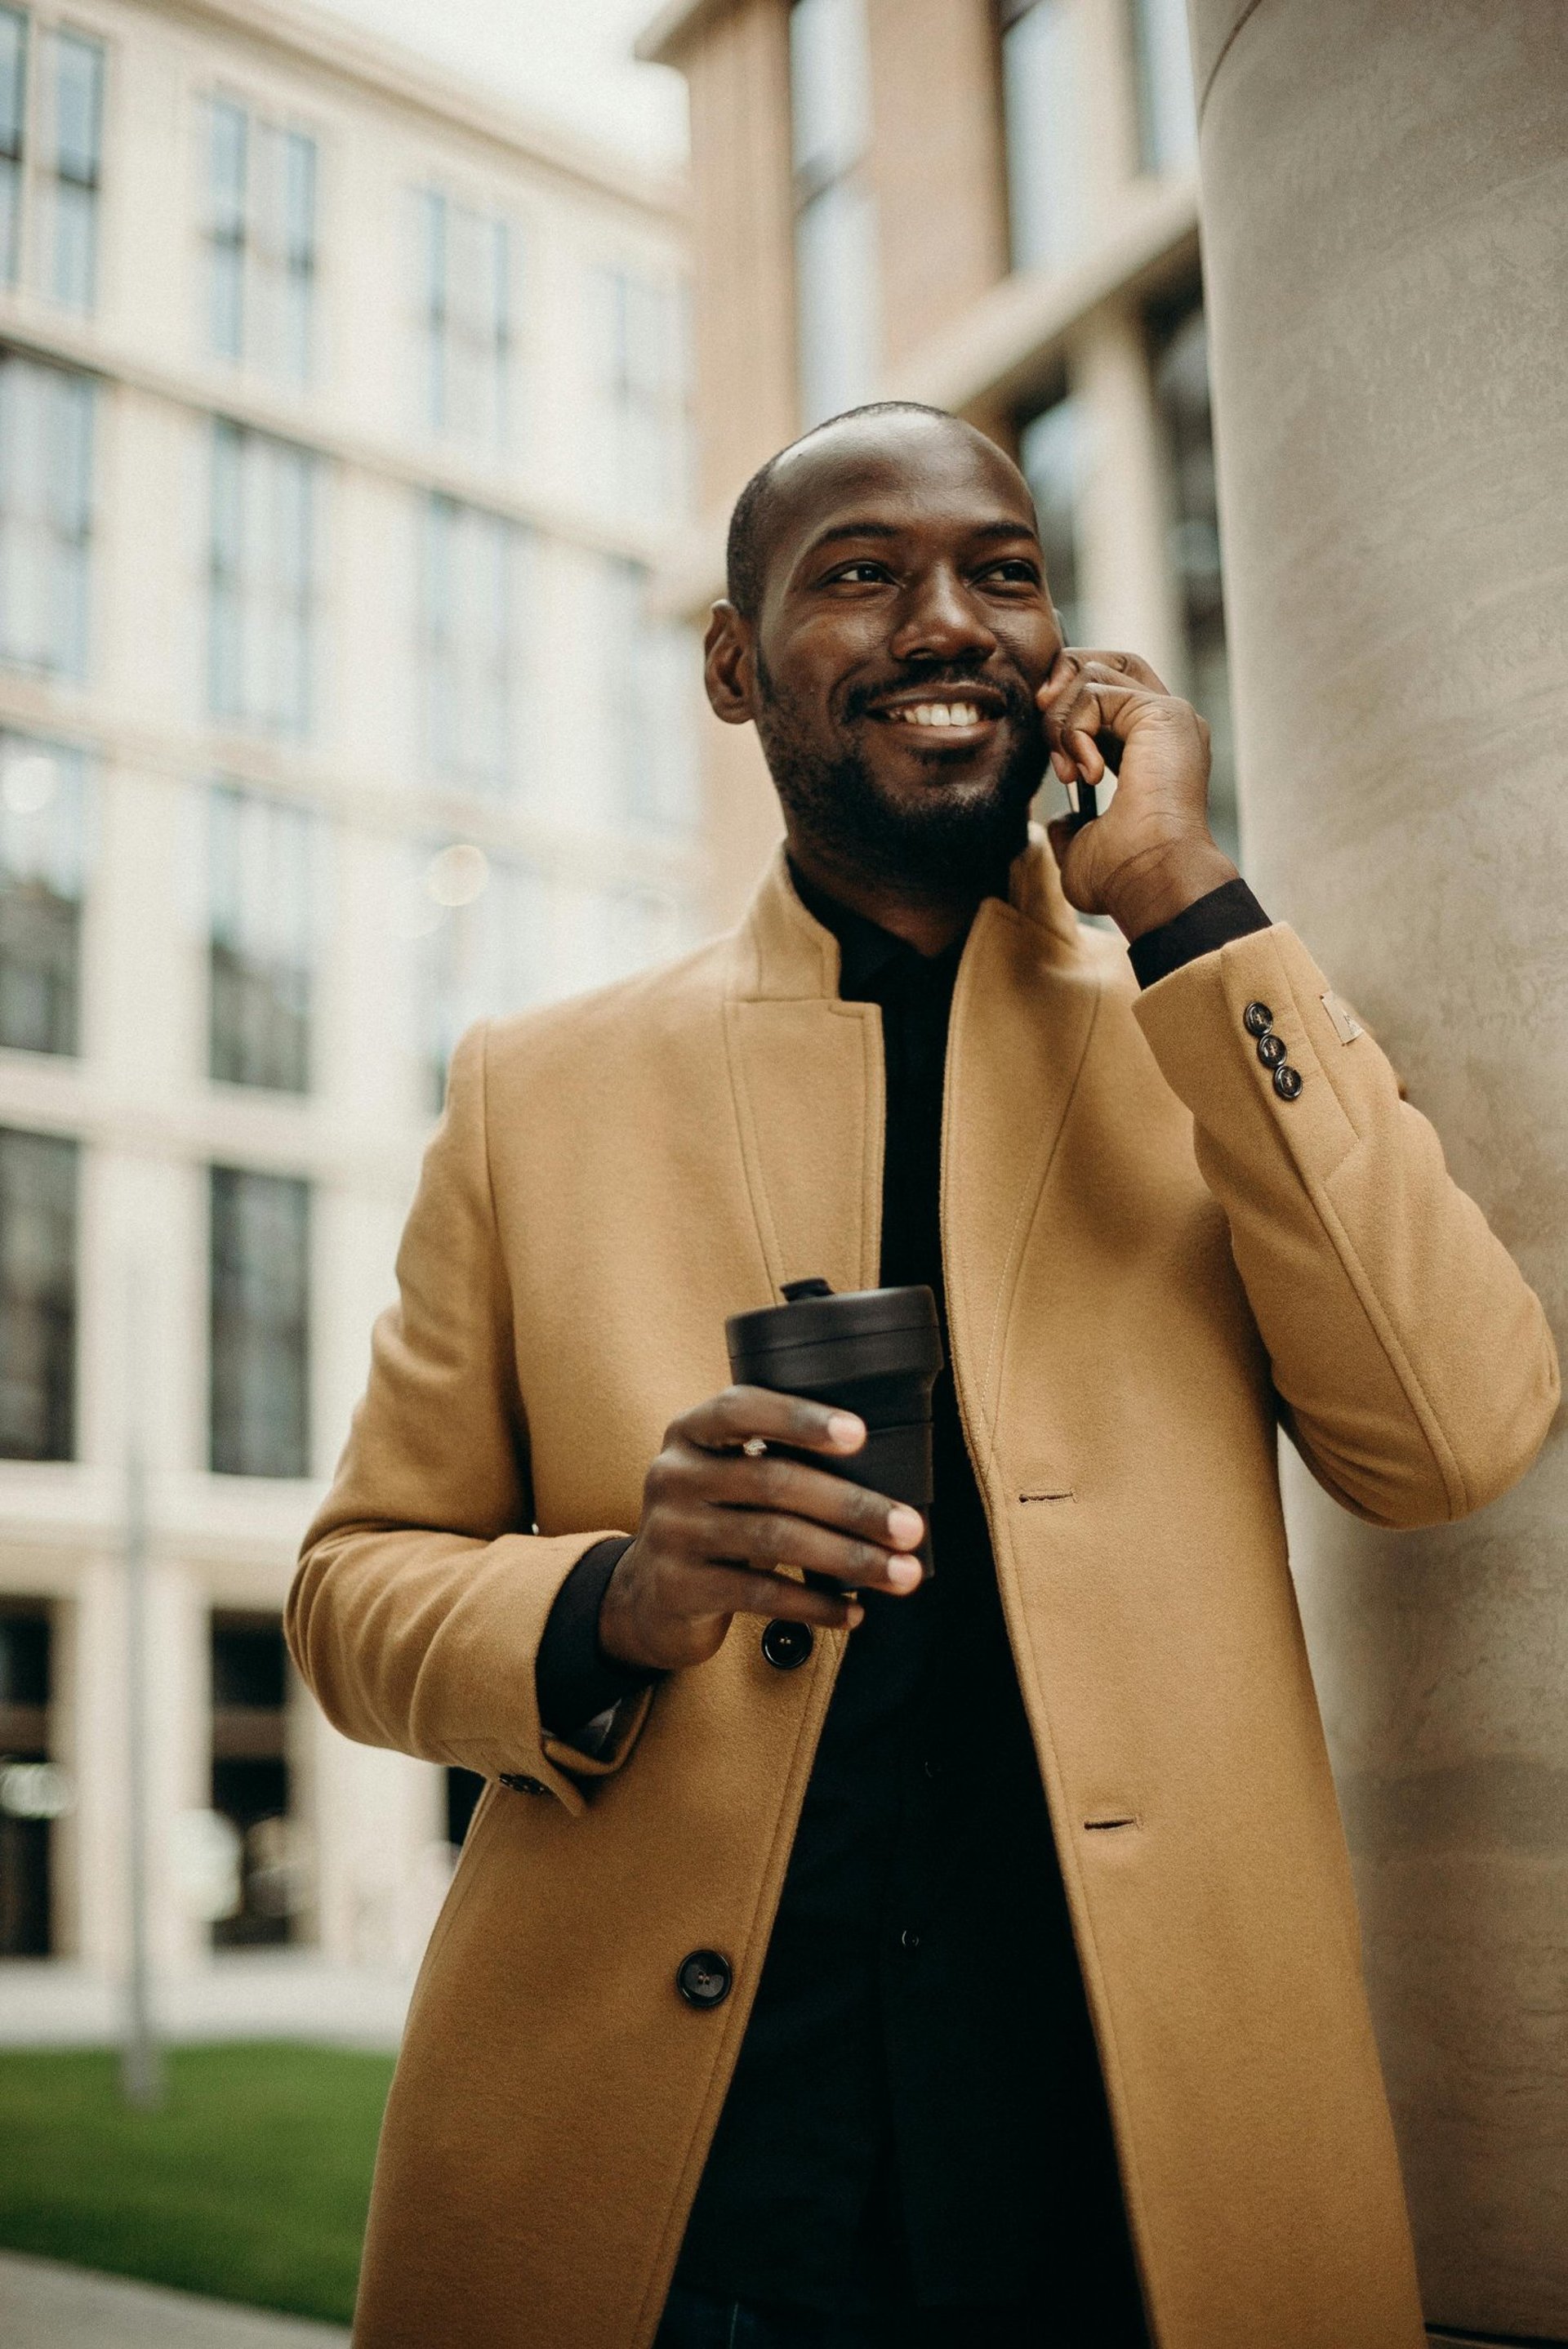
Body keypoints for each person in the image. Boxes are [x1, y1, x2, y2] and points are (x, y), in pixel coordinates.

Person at [287, 403, 1557, 2349]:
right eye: (863, 574)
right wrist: (614, 1593)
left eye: (1004, 572)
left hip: (1141, 2208)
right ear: (736, 667)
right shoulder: (538, 1090)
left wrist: (1177, 889)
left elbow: (1456, 1434)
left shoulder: (1213, 1015)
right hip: (683, 2220)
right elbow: (352, 1589)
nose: (949, 619)